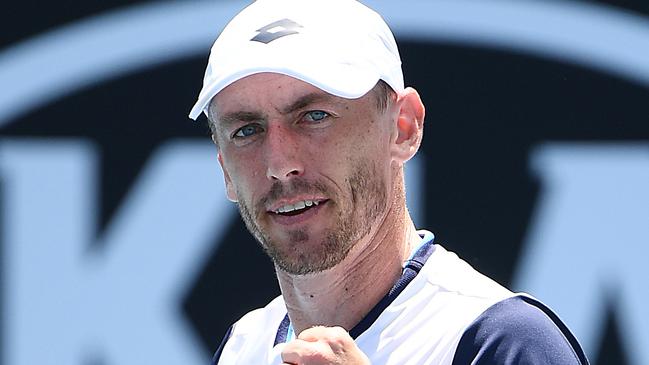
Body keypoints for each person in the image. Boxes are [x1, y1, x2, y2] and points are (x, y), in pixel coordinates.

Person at [188, 0, 590, 364]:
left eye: (314, 116)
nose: (280, 164)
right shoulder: (243, 346)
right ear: (225, 169)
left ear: (402, 127)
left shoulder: (503, 342)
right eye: (246, 131)